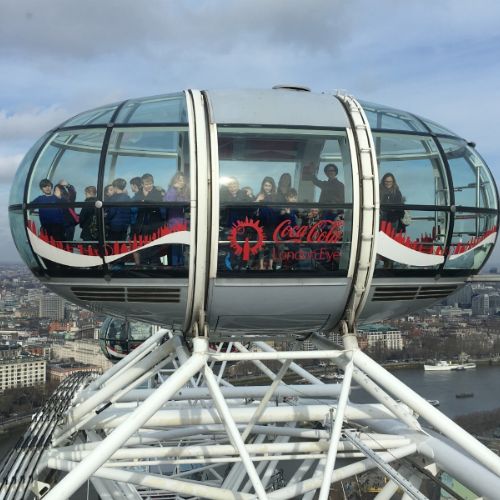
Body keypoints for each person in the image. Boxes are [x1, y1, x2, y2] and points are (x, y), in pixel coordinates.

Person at [134, 173, 165, 265]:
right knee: (143, 244)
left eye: (151, 184)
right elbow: (135, 201)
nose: (149, 186)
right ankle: (144, 263)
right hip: (142, 223)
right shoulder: (138, 193)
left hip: (154, 223)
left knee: (154, 245)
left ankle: (155, 264)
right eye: (146, 184)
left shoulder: (157, 192)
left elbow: (158, 202)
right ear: (142, 184)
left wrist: (145, 199)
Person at [163, 172, 189, 266]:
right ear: (174, 181)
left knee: (182, 248)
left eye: (182, 180)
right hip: (173, 224)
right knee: (174, 248)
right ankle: (175, 267)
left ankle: (182, 266)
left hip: (184, 224)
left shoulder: (185, 193)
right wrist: (173, 188)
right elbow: (168, 201)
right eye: (179, 180)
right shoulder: (171, 191)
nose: (181, 182)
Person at [255, 176, 278, 270]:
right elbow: (254, 209)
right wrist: (258, 200)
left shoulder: (276, 197)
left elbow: (277, 211)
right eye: (265, 185)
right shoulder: (259, 195)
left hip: (272, 225)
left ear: (272, 186)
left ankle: (270, 266)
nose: (267, 187)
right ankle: (261, 266)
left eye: (269, 185)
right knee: (261, 246)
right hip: (261, 225)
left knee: (271, 246)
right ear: (262, 186)